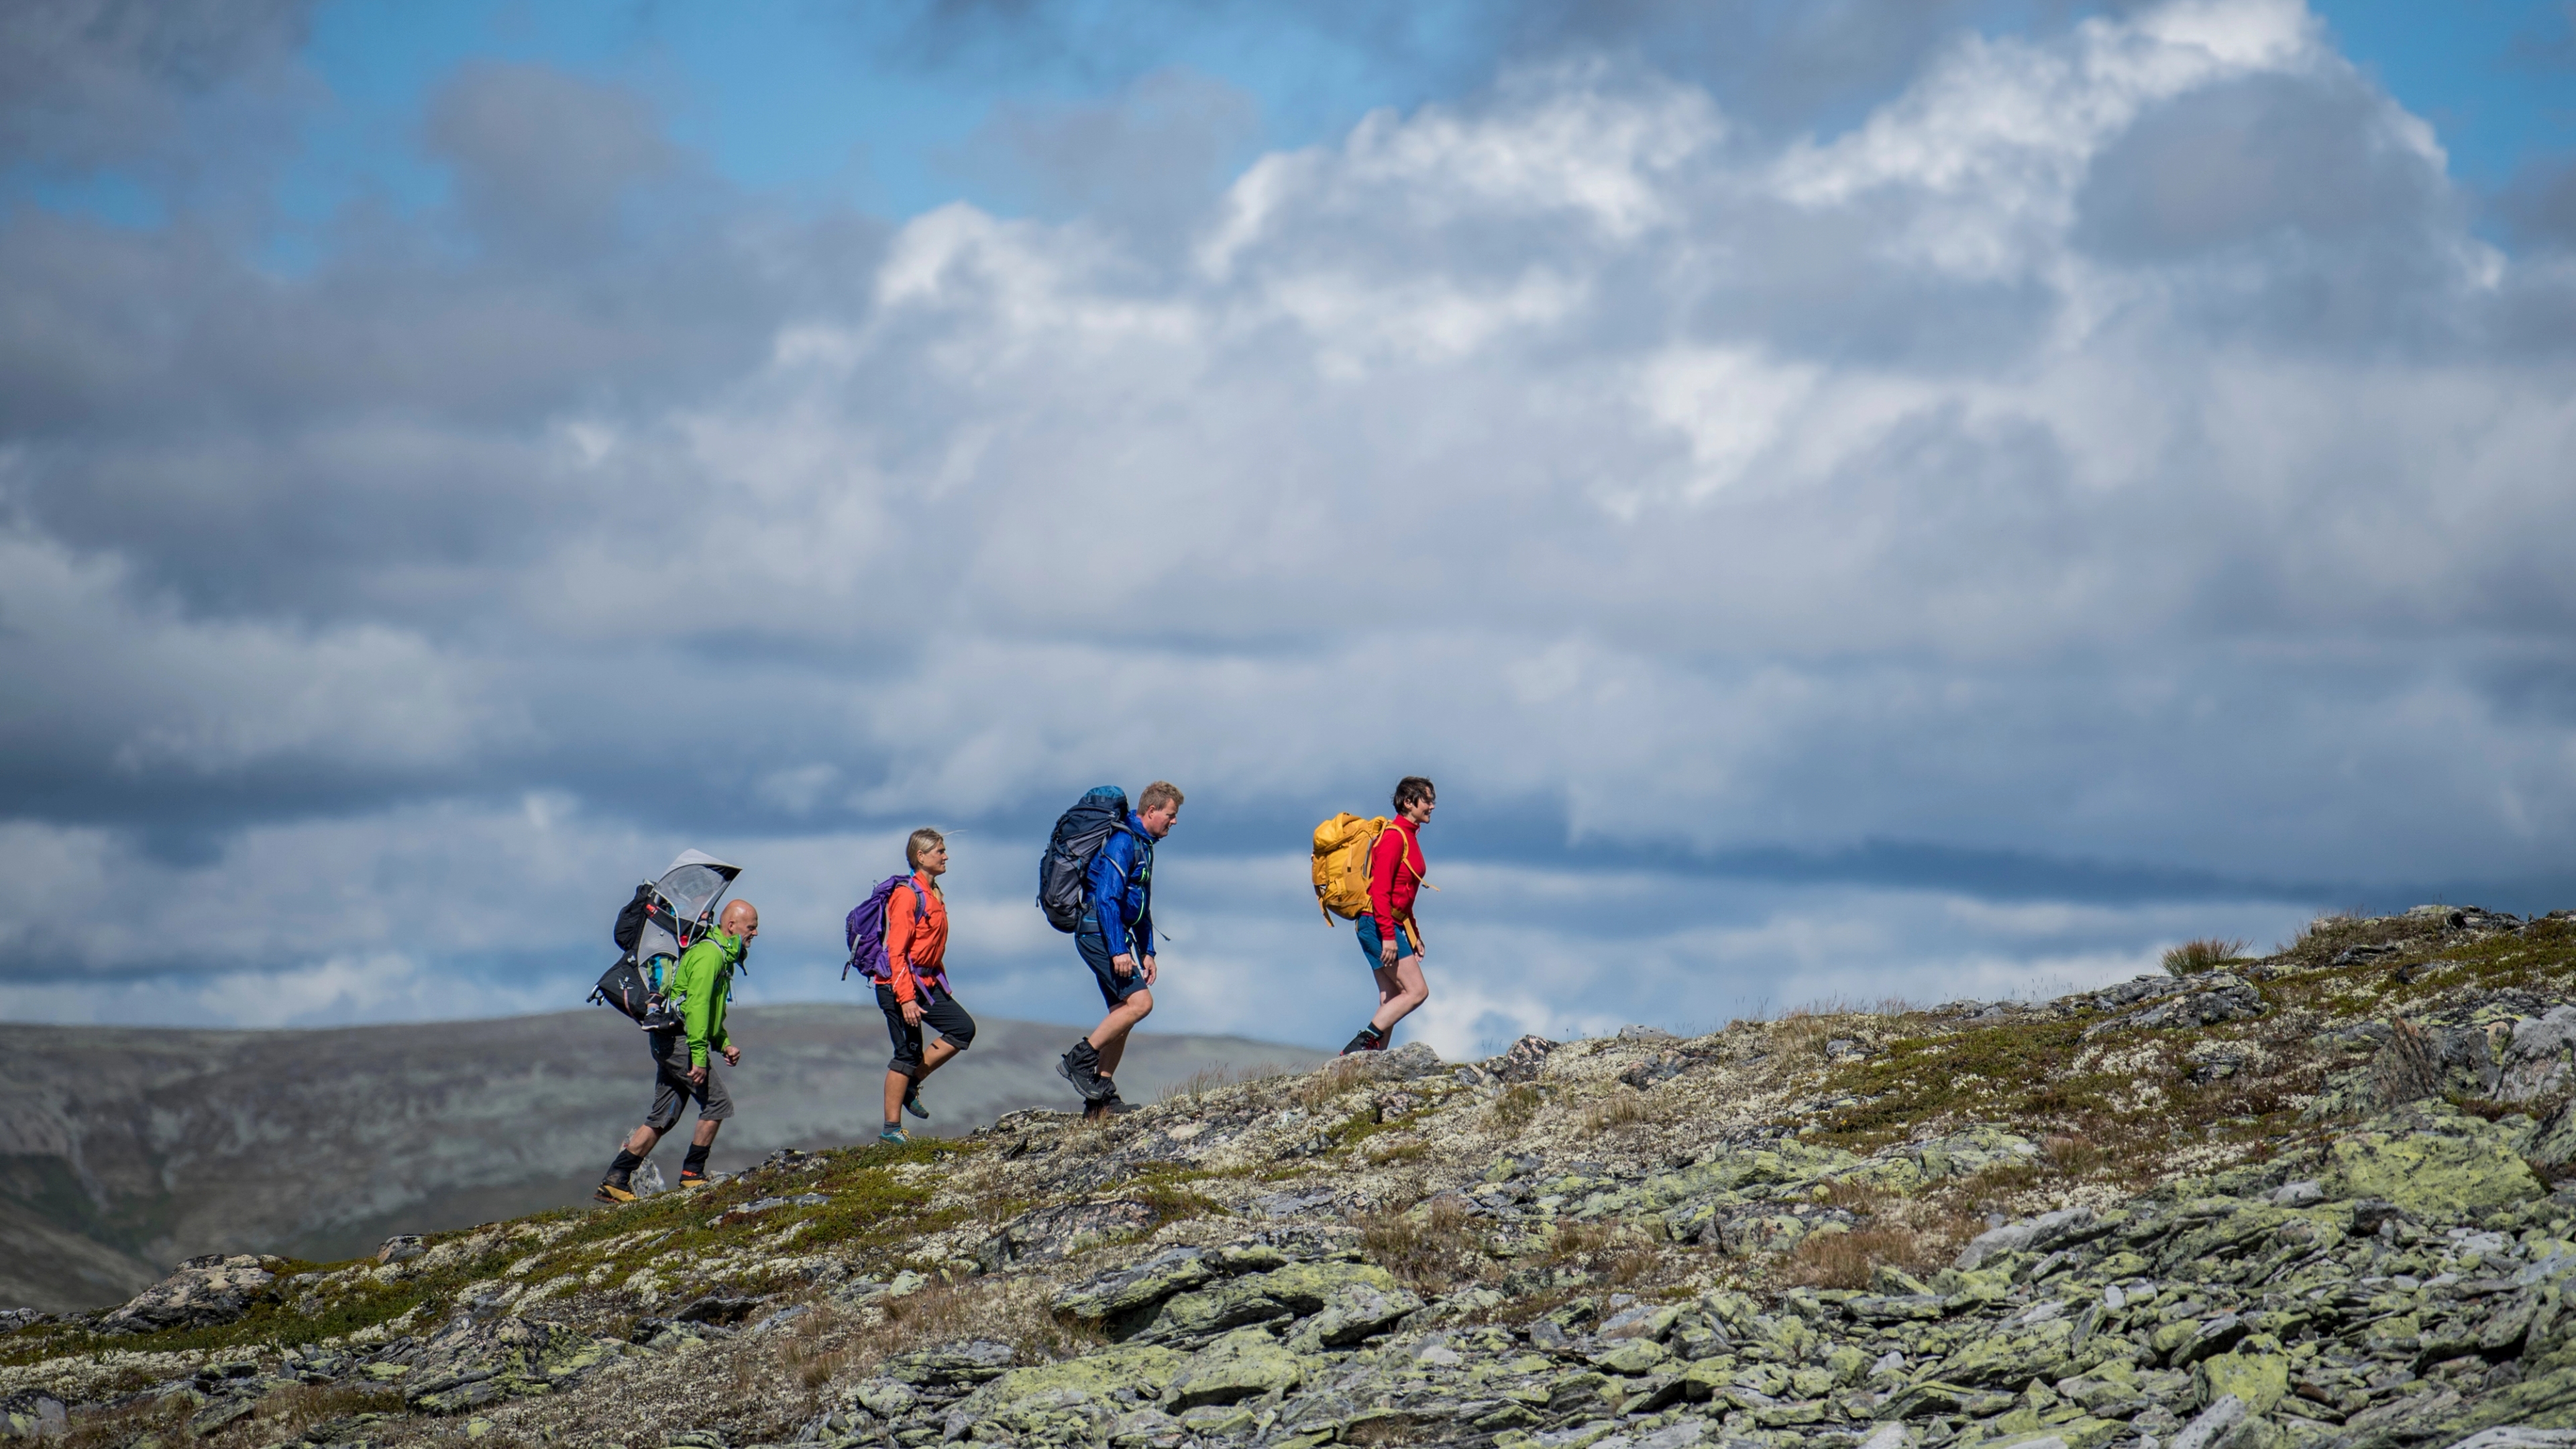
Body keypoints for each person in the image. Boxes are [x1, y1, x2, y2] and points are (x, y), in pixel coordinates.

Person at [595, 898, 756, 1202]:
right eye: (752, 927)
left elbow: (708, 1012)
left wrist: (723, 1043)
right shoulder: (710, 955)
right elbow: (695, 1009)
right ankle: (692, 1174)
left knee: (664, 1115)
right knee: (718, 1104)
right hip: (680, 1040)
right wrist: (699, 1058)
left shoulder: (719, 955)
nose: (756, 933)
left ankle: (616, 1180)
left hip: (669, 1038)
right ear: (731, 926)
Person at [1059, 781, 1182, 1118]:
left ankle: (1099, 1100)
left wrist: (1148, 951)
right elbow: (1107, 899)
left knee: (1122, 1015)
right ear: (1151, 811)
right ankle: (1078, 1061)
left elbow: (1140, 903)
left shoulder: (1144, 844)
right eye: (1170, 815)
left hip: (1110, 934)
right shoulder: (1123, 842)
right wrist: (1118, 950)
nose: (1174, 822)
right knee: (1141, 1003)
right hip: (1098, 933)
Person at [875, 828, 977, 1146]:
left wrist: (940, 985)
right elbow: (897, 951)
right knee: (906, 1053)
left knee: (962, 1028)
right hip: (897, 985)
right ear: (921, 856)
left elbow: (929, 947)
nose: (946, 856)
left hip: (926, 983)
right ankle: (891, 1130)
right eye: (940, 851)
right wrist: (905, 998)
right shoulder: (908, 895)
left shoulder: (933, 892)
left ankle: (911, 1084)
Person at [1343, 777, 1434, 1055]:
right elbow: (1381, 891)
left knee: (1393, 998)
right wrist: (1389, 937)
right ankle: (1358, 1047)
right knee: (1417, 991)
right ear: (1409, 802)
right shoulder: (1395, 837)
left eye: (1433, 801)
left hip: (1382, 923)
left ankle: (1369, 1064)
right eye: (1427, 800)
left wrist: (1413, 934)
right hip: (1378, 923)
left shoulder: (1408, 836)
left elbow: (1403, 896)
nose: (1432, 806)